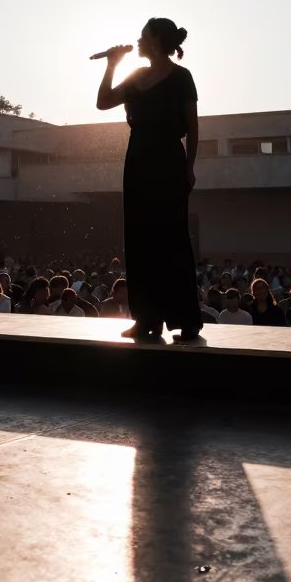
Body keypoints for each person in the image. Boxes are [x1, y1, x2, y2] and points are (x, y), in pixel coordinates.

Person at [96, 17, 201, 341]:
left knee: (172, 239)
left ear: (156, 41)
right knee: (140, 239)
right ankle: (147, 319)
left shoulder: (182, 77)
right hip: (139, 161)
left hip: (169, 162)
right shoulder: (137, 76)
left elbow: (193, 127)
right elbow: (103, 102)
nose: (138, 42)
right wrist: (113, 65)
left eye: (143, 36)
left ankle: (185, 318)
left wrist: (189, 168)